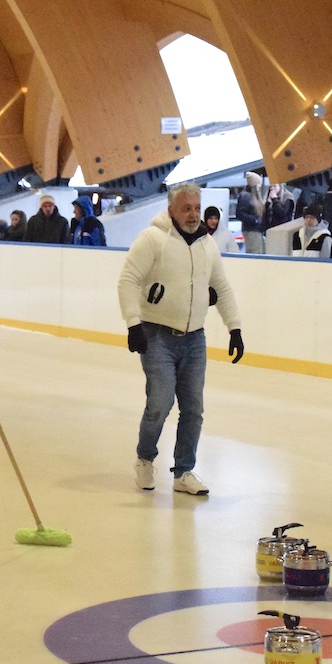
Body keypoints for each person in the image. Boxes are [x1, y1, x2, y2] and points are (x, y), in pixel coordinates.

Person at [118, 183, 243, 496]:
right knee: (160, 403)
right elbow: (128, 279)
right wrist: (133, 323)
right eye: (186, 208)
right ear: (171, 209)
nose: (193, 214)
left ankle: (183, 471)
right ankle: (145, 459)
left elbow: (222, 287)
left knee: (193, 409)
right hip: (156, 335)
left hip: (194, 339)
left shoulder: (206, 244)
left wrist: (235, 328)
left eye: (197, 208)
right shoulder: (153, 239)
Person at [236, 171, 266, 254]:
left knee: (259, 252)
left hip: (256, 230)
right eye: (258, 184)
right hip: (251, 230)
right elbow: (239, 213)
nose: (260, 186)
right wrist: (254, 220)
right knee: (255, 252)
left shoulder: (252, 196)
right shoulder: (245, 196)